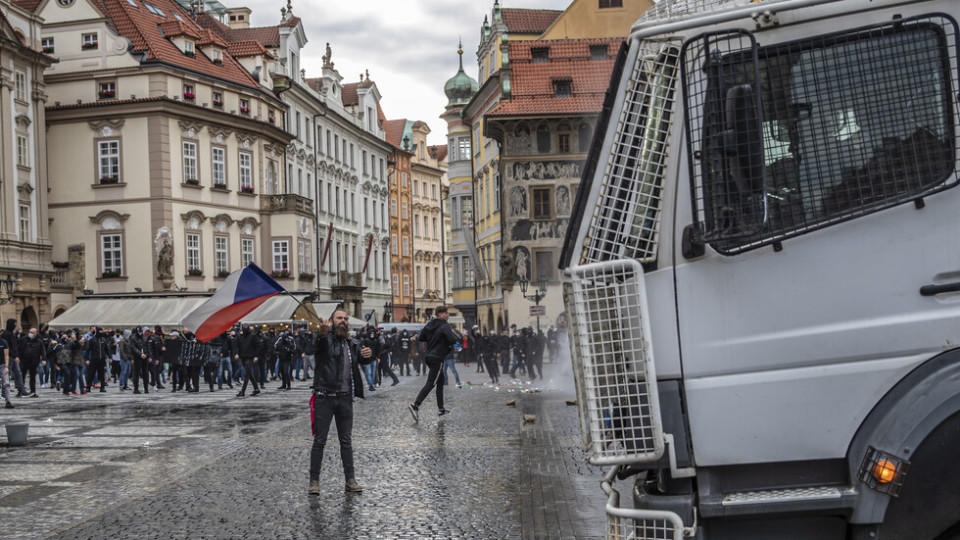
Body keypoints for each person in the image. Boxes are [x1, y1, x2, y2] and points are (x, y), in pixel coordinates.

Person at [308, 308, 371, 495]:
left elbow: (362, 359)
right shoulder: (325, 339)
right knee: (319, 441)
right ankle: (314, 481)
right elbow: (316, 346)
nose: (343, 321)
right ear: (331, 321)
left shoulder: (352, 342)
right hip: (324, 397)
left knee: (346, 441)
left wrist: (368, 355)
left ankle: (350, 480)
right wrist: (322, 332)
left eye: (345, 318)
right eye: (339, 318)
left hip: (345, 398)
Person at [409, 306, 460, 422]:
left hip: (429, 356)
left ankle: (441, 408)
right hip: (437, 358)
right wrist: (457, 346)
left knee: (440, 382)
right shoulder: (444, 325)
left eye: (447, 313)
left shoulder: (430, 324)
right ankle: (415, 405)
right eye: (445, 313)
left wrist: (435, 339)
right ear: (439, 314)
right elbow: (451, 339)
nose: (447, 315)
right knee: (431, 383)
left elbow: (422, 337)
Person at [236, 325, 261, 397]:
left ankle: (242, 391)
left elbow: (258, 345)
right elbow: (238, 346)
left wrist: (256, 355)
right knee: (249, 374)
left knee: (246, 374)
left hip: (250, 357)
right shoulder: (241, 337)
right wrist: (237, 353)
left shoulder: (253, 336)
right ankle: (256, 388)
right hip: (243, 356)